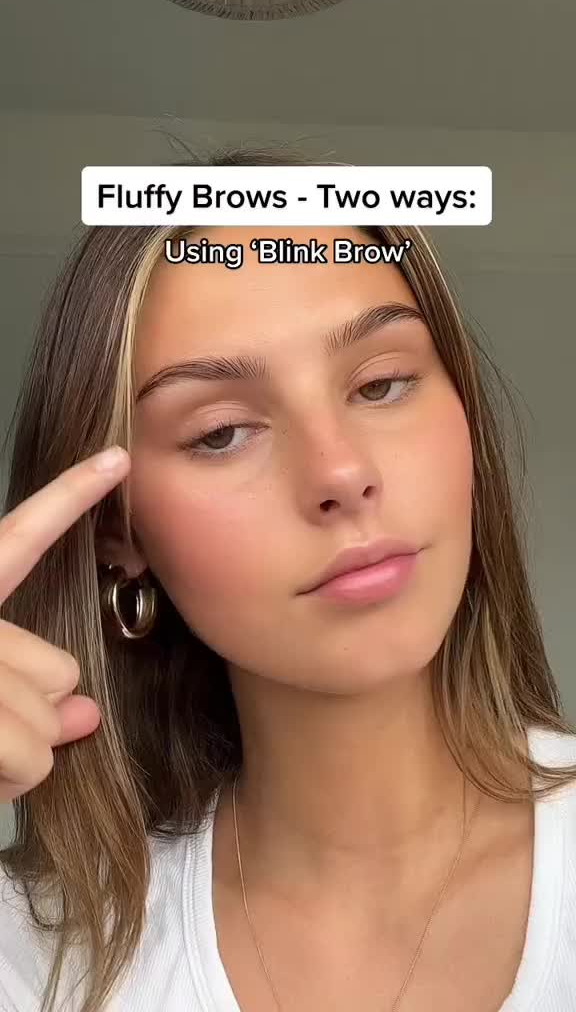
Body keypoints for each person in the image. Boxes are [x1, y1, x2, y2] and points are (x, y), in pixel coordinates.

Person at [0, 145, 574, 1012]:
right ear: (118, 530)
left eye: (381, 384)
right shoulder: (38, 955)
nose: (341, 472)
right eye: (221, 433)